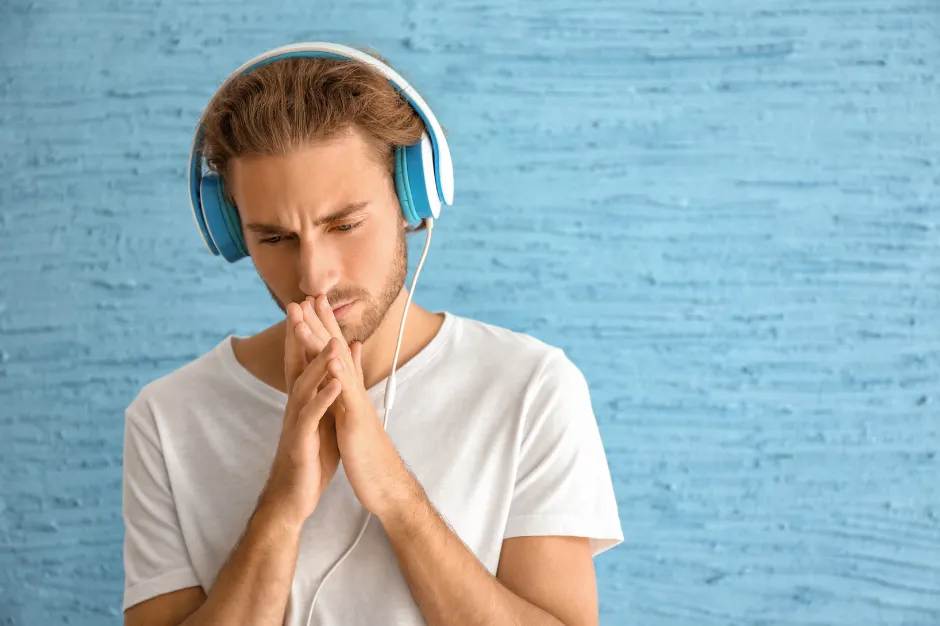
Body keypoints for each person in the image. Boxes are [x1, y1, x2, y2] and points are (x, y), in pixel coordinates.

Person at [121, 42, 623, 626]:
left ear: (414, 199)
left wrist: (394, 492)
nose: (313, 276)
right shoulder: (168, 418)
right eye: (275, 238)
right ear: (233, 231)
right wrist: (282, 507)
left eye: (345, 225)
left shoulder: (531, 389)